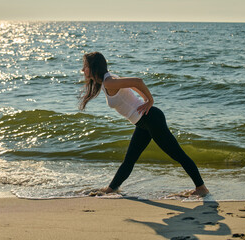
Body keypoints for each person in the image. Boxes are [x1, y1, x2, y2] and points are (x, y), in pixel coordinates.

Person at [79, 51, 209, 197]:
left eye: (85, 66)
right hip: (143, 122)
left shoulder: (109, 82)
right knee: (130, 160)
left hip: (151, 119)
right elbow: (133, 86)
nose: (83, 70)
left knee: (177, 153)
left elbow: (138, 82)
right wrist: (145, 100)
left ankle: (201, 188)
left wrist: (149, 101)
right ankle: (111, 190)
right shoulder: (107, 81)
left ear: (93, 67)